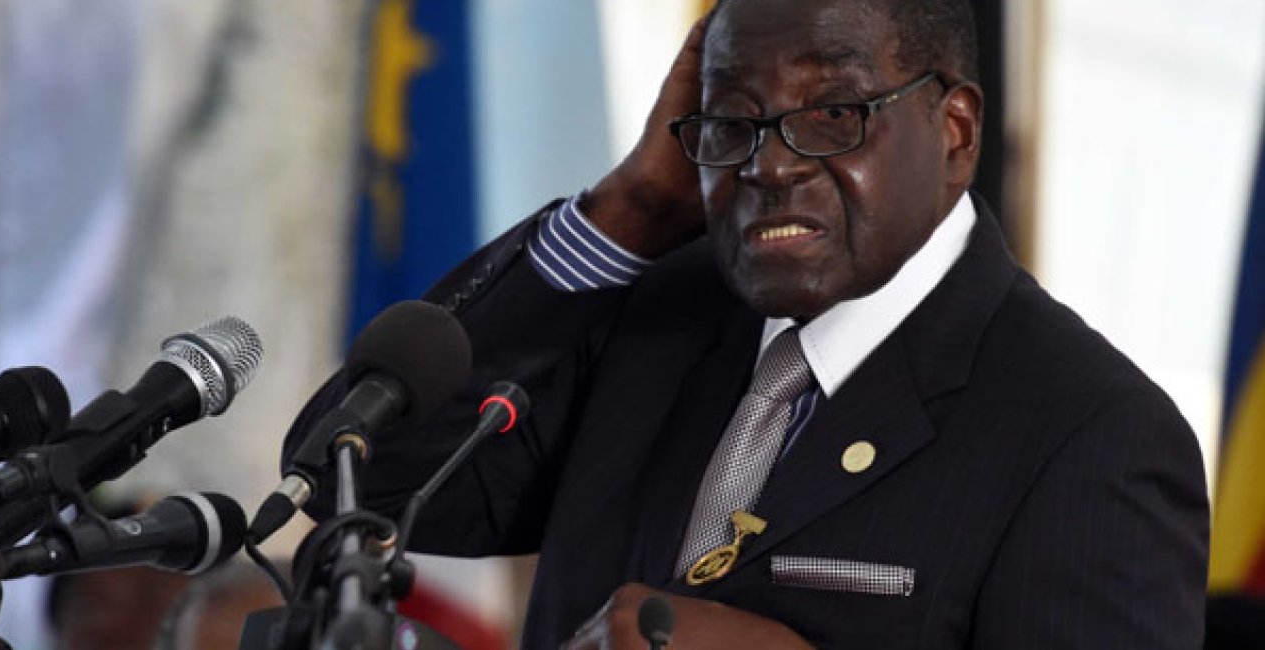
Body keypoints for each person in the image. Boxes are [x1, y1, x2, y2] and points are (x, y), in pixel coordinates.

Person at [284, 0, 1210, 647]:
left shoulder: (1093, 431)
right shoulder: (646, 316)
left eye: (835, 112)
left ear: (957, 130)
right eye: (731, 122)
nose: (769, 165)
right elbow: (353, 474)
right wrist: (629, 211)